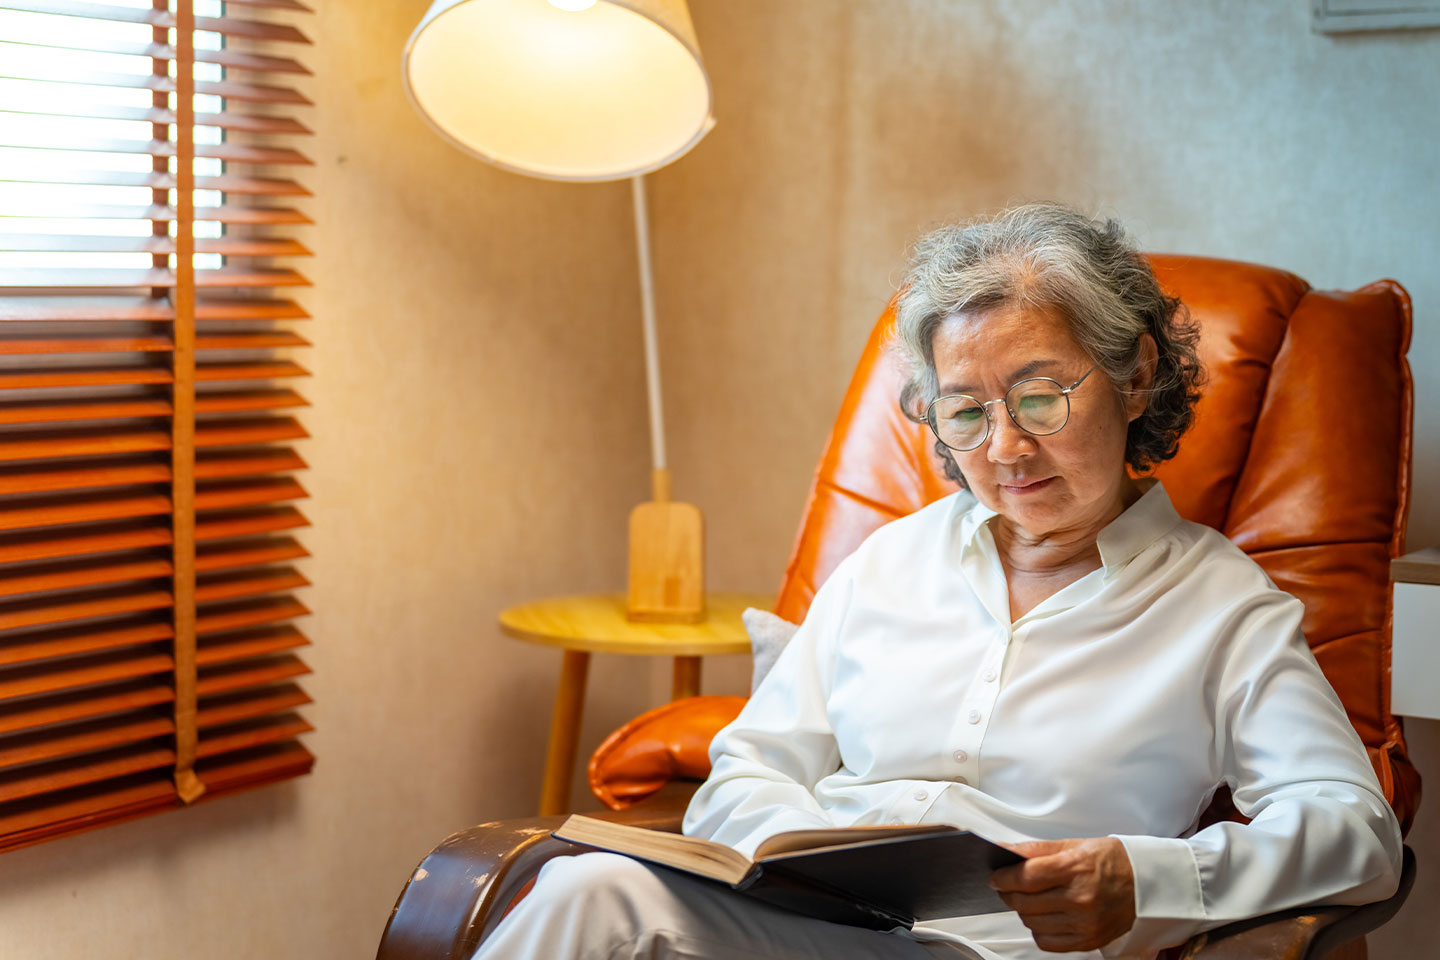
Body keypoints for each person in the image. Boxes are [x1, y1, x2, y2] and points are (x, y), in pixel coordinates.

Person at [475, 203, 1402, 960]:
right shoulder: (892, 559)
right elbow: (754, 762)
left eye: (1041, 395)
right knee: (587, 881)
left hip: (1002, 950)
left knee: (595, 902)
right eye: (965, 410)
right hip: (803, 929)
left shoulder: (1220, 606)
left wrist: (1147, 877)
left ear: (1134, 373)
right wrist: (785, 857)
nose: (1004, 447)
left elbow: (1357, 831)